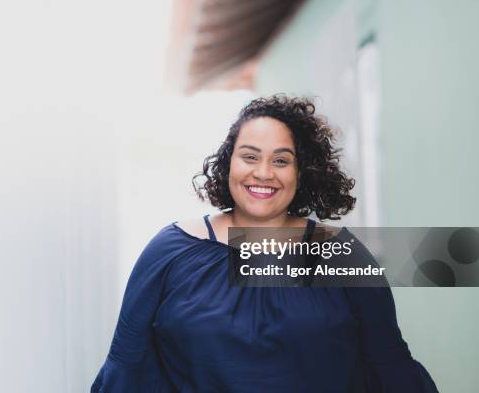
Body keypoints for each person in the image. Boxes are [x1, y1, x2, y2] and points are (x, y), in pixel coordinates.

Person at [91, 95, 439, 392]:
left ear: (302, 173)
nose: (263, 173)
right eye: (250, 156)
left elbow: (390, 365)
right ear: (229, 163)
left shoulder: (342, 253)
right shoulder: (171, 250)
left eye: (281, 160)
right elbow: (125, 366)